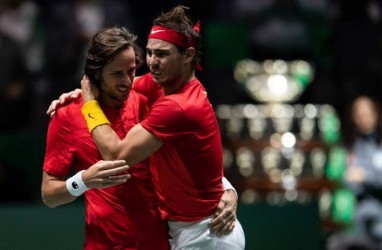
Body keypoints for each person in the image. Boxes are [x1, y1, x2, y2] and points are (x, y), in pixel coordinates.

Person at [42, 26, 238, 250]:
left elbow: (195, 153)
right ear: (96, 74)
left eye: (132, 71)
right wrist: (83, 181)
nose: (127, 81)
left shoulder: (152, 101)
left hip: (163, 243)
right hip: (104, 245)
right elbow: (49, 194)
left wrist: (226, 190)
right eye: (117, 74)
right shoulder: (67, 115)